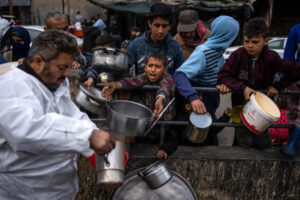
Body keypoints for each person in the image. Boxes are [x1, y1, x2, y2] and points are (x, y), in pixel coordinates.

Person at [0, 30, 115, 199]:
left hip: (60, 190)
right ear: (38, 61)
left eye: (69, 67)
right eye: (62, 67)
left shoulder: (56, 82)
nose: (67, 73)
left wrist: (96, 140)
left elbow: (72, 114)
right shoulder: (12, 85)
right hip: (24, 193)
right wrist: (87, 135)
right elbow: (26, 132)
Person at [218, 17, 300, 149]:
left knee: (262, 143)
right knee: (242, 142)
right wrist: (242, 87)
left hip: (264, 109)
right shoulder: (238, 55)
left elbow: (295, 70)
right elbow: (223, 75)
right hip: (241, 107)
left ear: (266, 41)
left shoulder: (272, 57)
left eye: (255, 42)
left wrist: (277, 86)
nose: (249, 46)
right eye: (246, 41)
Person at [102, 52, 177, 159]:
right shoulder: (143, 78)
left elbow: (165, 88)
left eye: (157, 67)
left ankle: (163, 150)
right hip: (146, 124)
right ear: (145, 67)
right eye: (150, 66)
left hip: (164, 125)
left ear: (164, 70)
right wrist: (114, 85)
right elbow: (130, 82)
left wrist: (160, 100)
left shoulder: (168, 78)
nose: (153, 70)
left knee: (171, 140)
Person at [174, 16, 239, 116]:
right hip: (195, 110)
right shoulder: (203, 52)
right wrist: (193, 98)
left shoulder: (218, 53)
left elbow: (215, 75)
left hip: (208, 108)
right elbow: (179, 75)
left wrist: (223, 83)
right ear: (228, 37)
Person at [126, 2, 184, 76]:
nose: (160, 30)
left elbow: (180, 75)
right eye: (157, 25)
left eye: (164, 26)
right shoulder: (135, 45)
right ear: (150, 24)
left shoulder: (175, 48)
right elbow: (125, 70)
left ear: (170, 26)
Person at [281, 23, 300, 156]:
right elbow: (288, 56)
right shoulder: (296, 29)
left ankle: (292, 144)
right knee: (292, 111)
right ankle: (292, 141)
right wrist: (285, 80)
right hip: (295, 76)